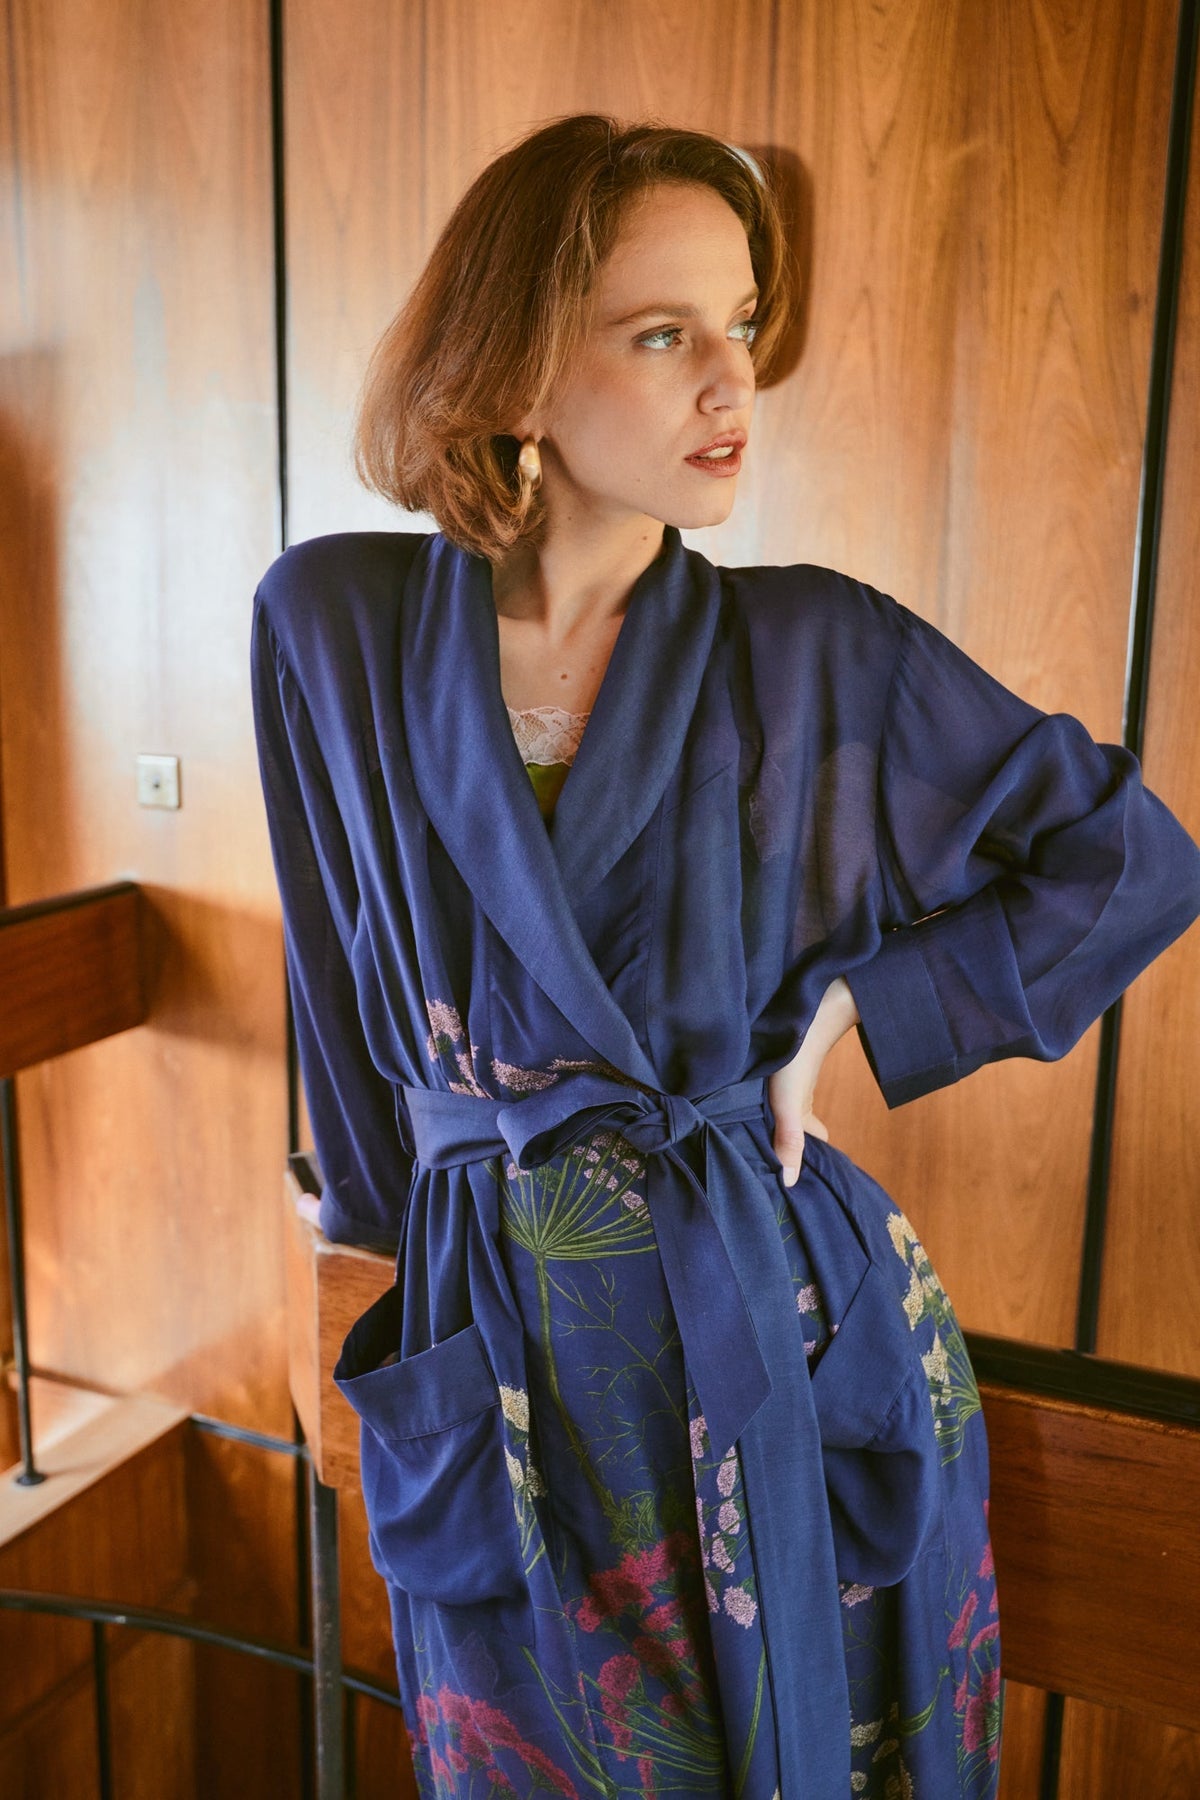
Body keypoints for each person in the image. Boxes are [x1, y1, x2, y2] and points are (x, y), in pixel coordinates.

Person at [250, 114, 1200, 1800]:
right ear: (517, 366)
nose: (730, 382)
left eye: (742, 324)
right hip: (494, 1340)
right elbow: (338, 1008)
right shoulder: (332, 626)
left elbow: (1132, 860)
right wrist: (386, 1306)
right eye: (661, 333)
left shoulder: (813, 648)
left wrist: (854, 1013)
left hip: (774, 1317)